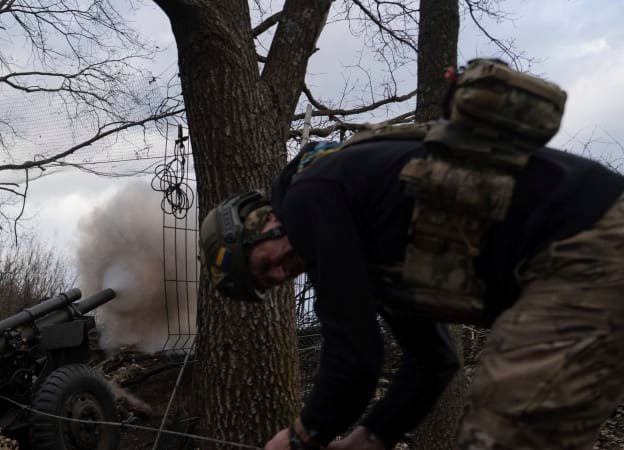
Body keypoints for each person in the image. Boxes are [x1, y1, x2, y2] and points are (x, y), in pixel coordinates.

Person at [199, 61, 624, 450]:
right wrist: (372, 435)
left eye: (263, 264)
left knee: (507, 422)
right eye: (270, 282)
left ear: (260, 223)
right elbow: (433, 359)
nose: (279, 272)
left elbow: (356, 359)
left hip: (587, 246)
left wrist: (299, 437)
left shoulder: (310, 197)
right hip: (584, 255)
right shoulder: (371, 243)